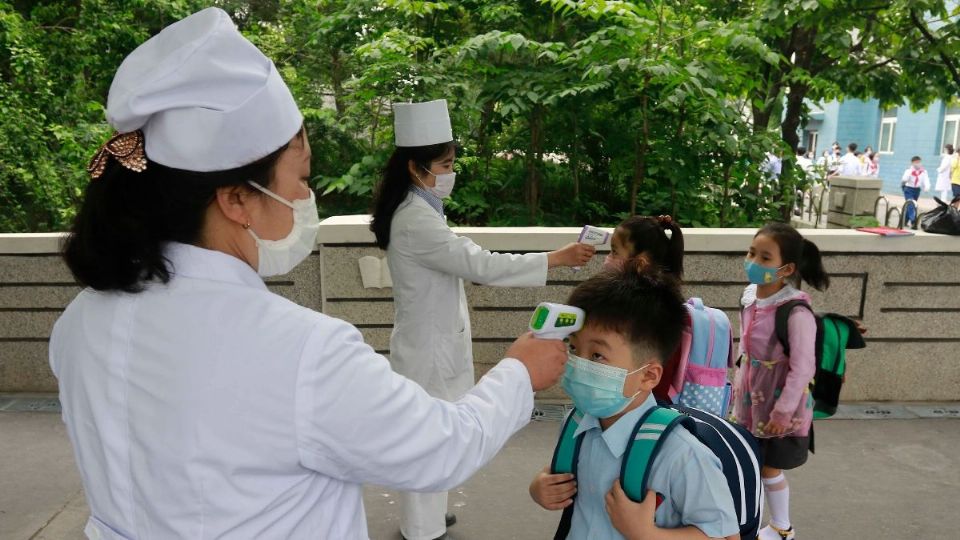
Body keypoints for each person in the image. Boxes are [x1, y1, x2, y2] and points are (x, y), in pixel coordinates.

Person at [51, 9, 569, 539]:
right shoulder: (298, 349)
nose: (305, 197)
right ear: (236, 199)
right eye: (300, 177)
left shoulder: (80, 320)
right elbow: (442, 446)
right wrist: (520, 372)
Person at [370, 99, 594, 540]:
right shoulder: (416, 220)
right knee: (429, 438)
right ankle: (421, 527)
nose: (451, 172)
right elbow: (482, 265)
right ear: (417, 168)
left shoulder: (420, 208)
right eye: (445, 164)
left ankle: (429, 514)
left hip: (431, 341)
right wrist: (556, 258)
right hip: (428, 349)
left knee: (438, 432)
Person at [528, 264, 741, 540]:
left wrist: (646, 533)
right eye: (573, 347)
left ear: (648, 375)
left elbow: (726, 537)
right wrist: (540, 487)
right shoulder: (577, 424)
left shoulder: (682, 454)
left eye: (597, 356)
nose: (577, 363)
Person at [731, 223, 830, 540]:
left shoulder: (794, 312)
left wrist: (782, 412)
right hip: (749, 399)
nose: (753, 262)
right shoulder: (750, 298)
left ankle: (782, 527)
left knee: (770, 467)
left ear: (786, 268)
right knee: (751, 464)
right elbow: (745, 350)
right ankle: (755, 523)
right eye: (751, 253)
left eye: (764, 257)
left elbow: (803, 368)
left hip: (777, 404)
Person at [900, 156, 930, 227]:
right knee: (911, 204)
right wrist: (907, 176)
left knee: (910, 205)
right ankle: (913, 220)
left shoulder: (923, 172)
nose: (918, 164)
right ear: (912, 163)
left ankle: (904, 221)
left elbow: (926, 180)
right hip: (908, 189)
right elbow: (904, 179)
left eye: (919, 162)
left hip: (917, 190)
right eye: (916, 162)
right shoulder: (909, 170)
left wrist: (926, 187)